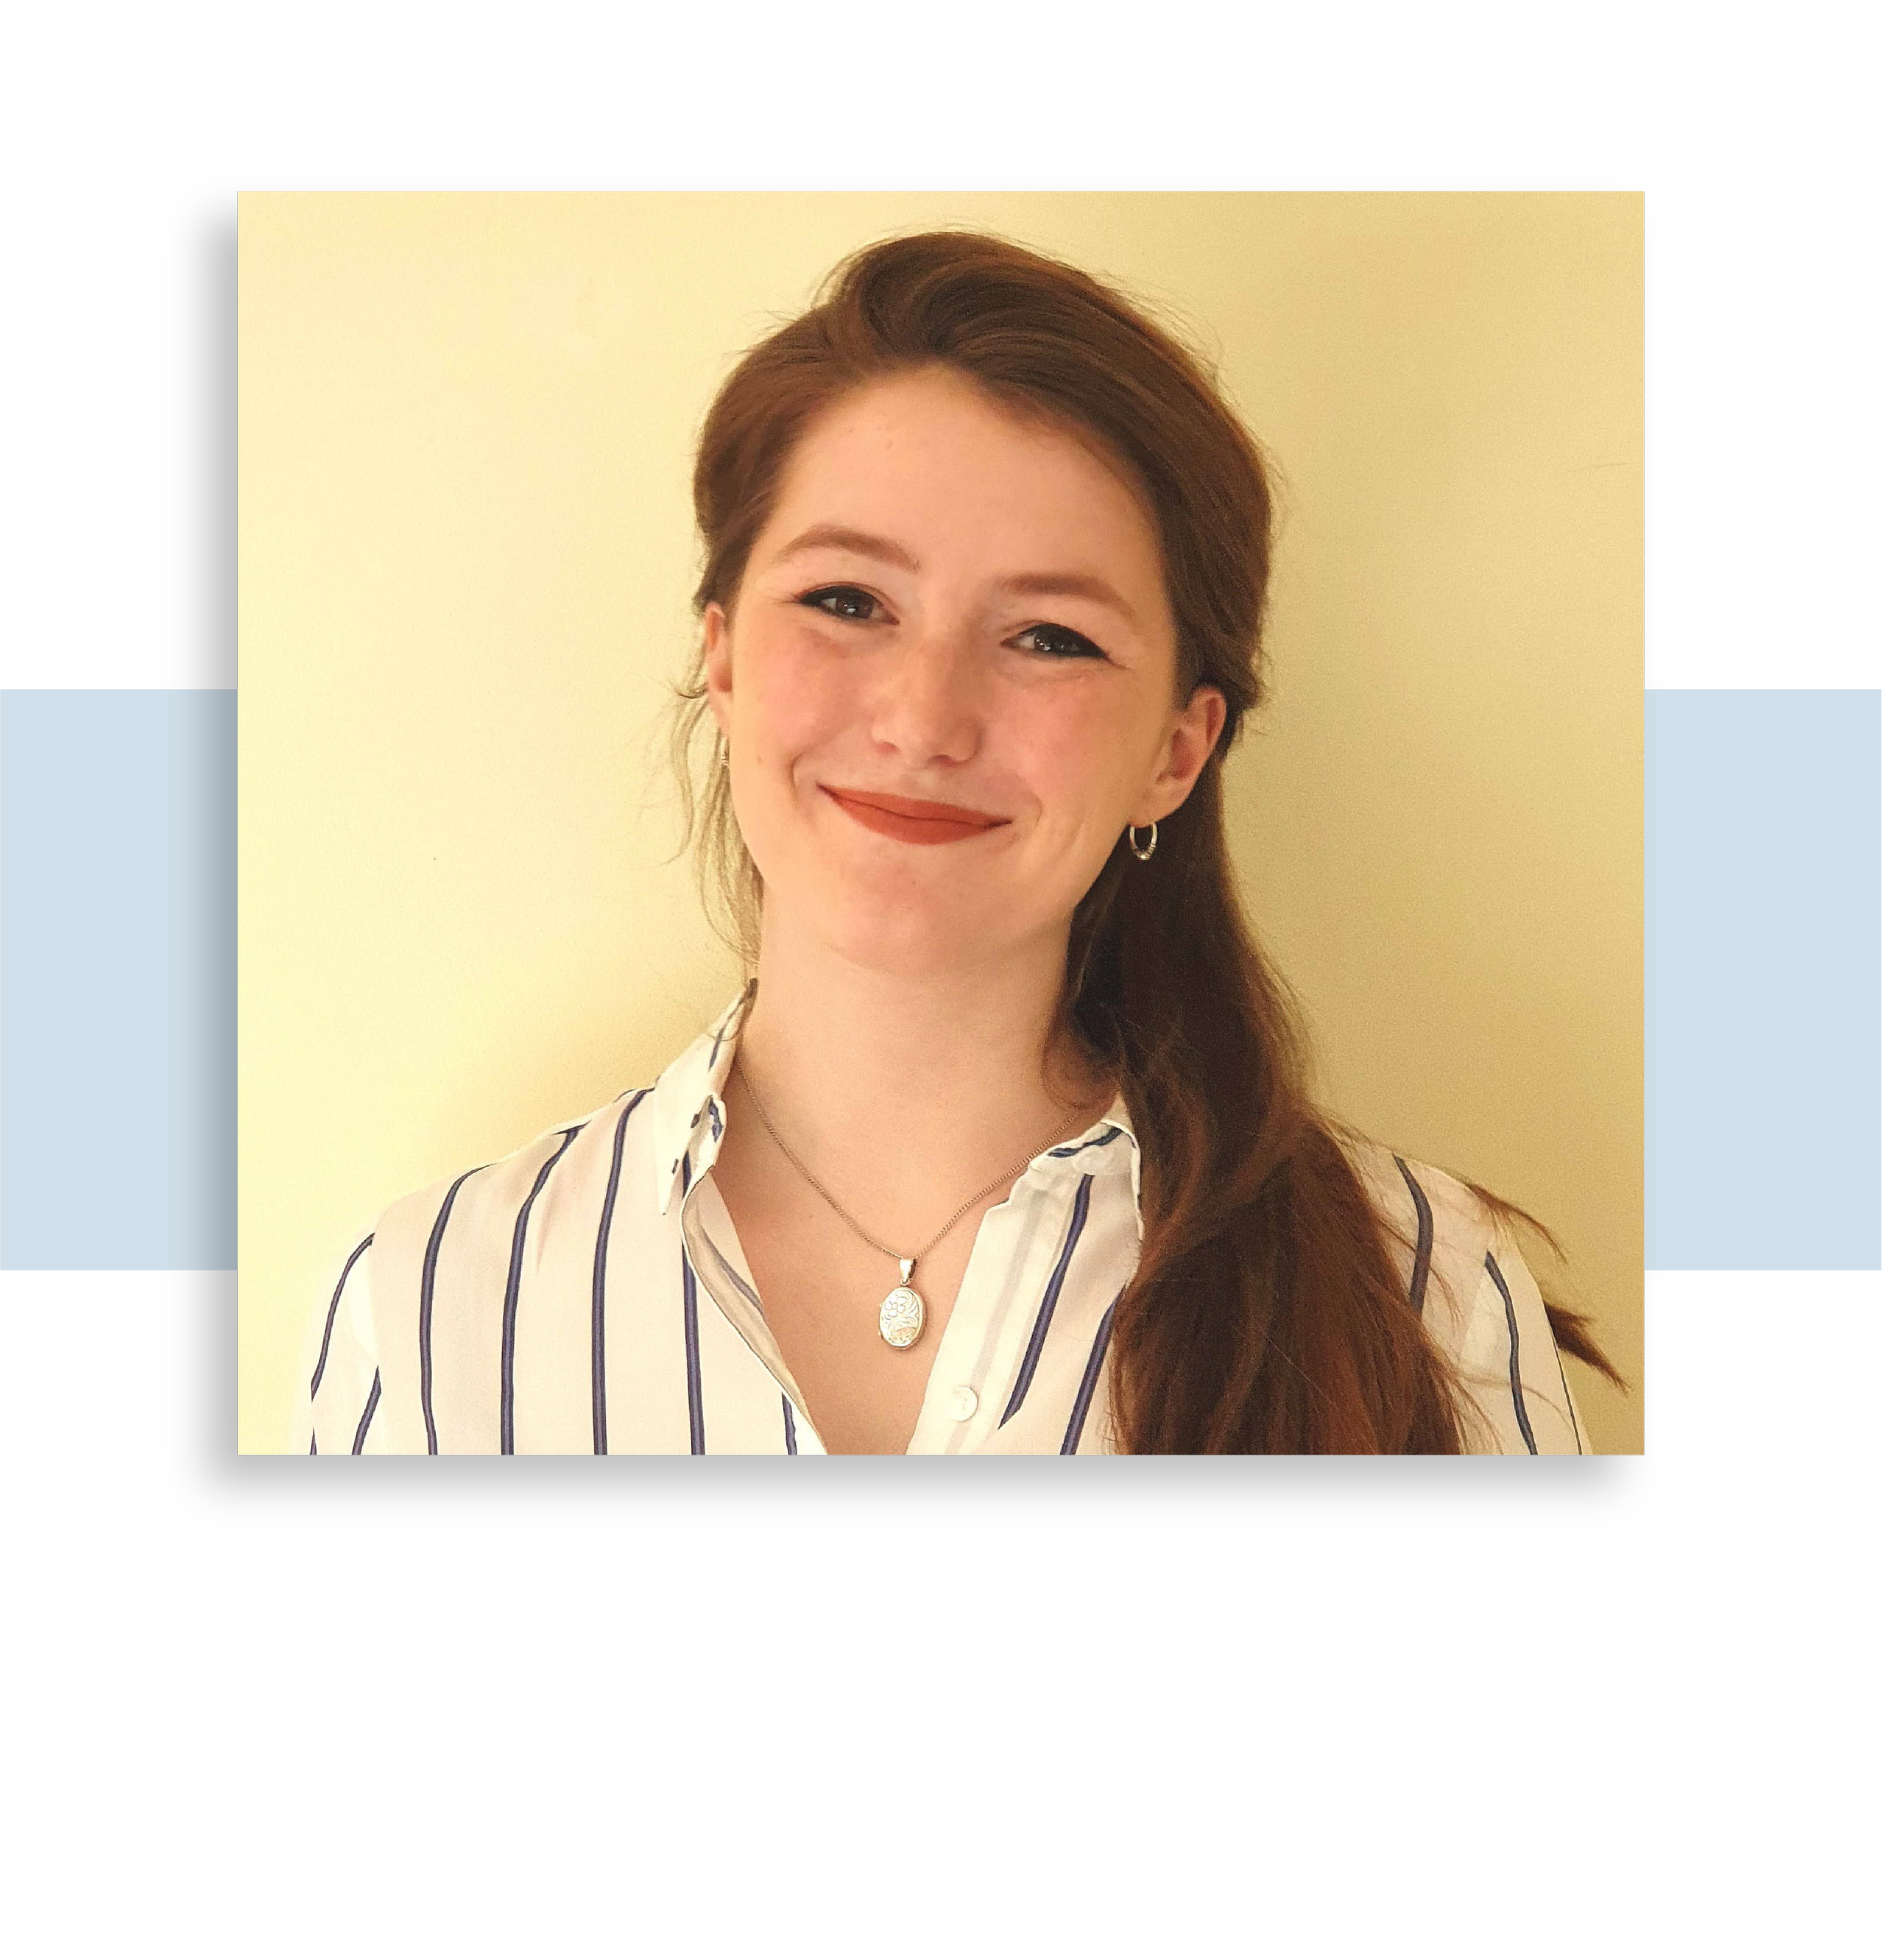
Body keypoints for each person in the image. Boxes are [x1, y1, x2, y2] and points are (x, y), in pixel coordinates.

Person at [301, 228, 1625, 1457]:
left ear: (1177, 750)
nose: (925, 720)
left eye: (1050, 636)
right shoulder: (433, 1311)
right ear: (725, 655)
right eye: (847, 600)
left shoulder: (1423, 1294)